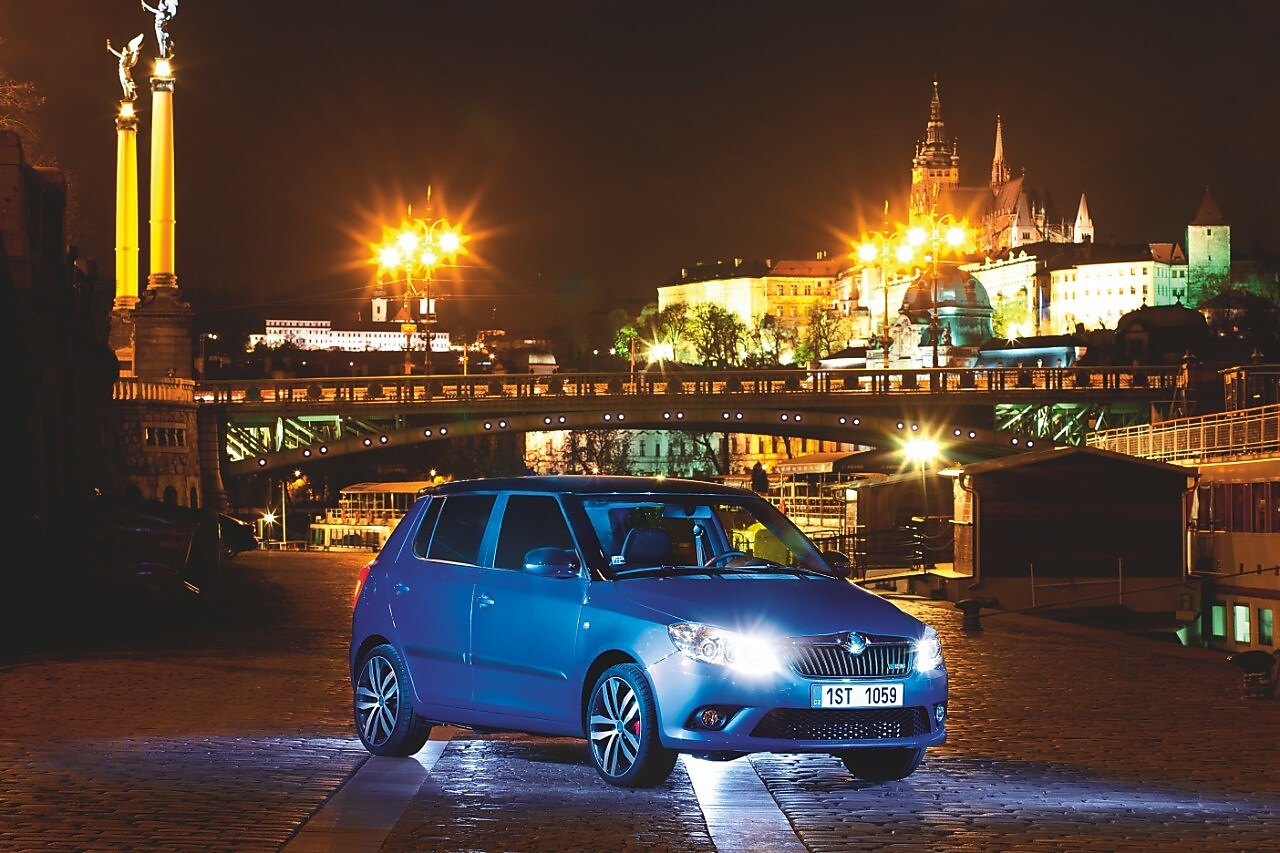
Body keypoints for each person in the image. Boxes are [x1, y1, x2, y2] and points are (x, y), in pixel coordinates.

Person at [106, 33, 144, 101]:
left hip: (124, 71)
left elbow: (116, 53)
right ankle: (127, 96)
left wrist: (110, 48)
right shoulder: (125, 58)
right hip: (123, 71)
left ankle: (134, 94)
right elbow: (133, 61)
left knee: (126, 82)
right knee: (124, 84)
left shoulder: (124, 57)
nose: (122, 51)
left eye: (123, 50)